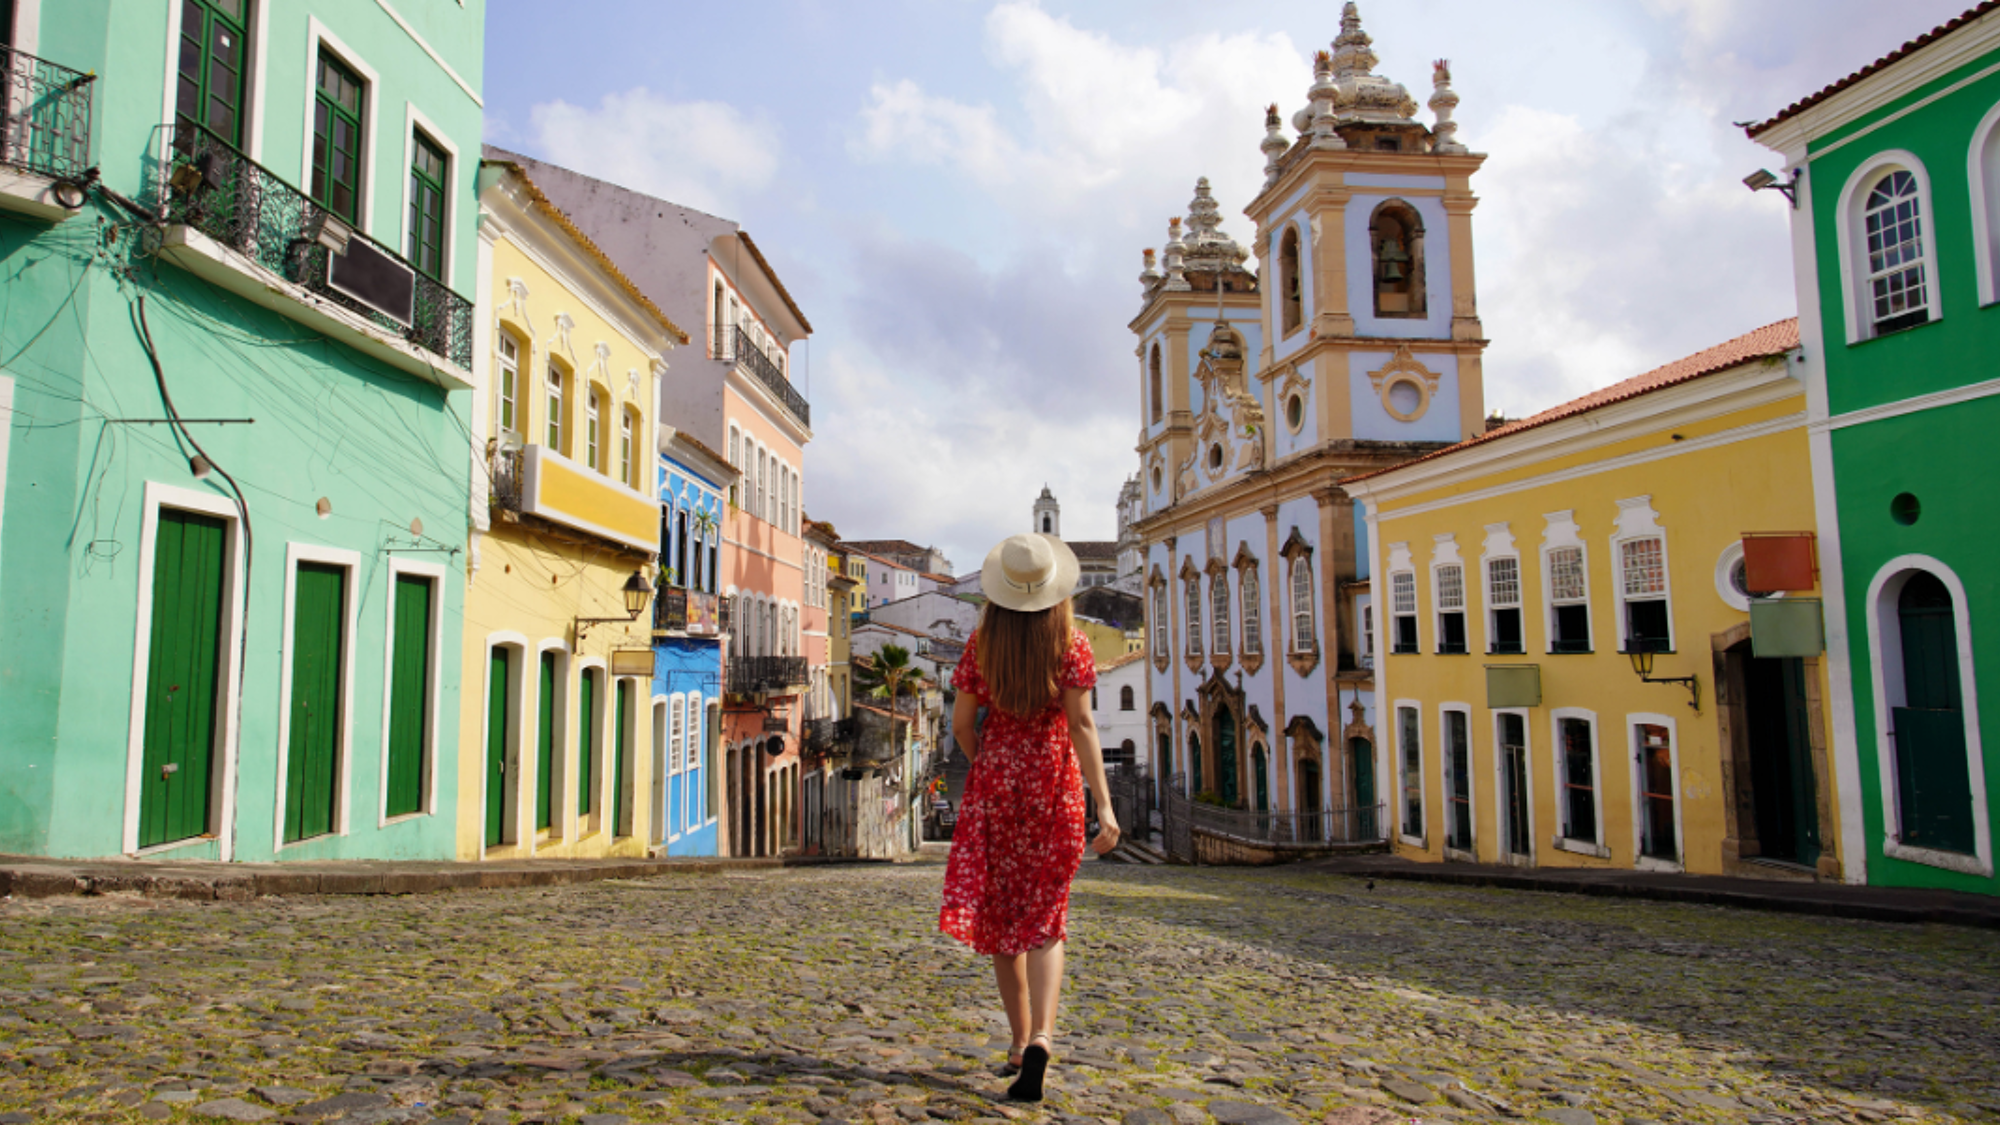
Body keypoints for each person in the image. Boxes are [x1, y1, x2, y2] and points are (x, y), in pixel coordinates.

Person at [938, 532, 1120, 1103]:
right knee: (1046, 915)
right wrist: (1104, 803)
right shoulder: (1073, 644)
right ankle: (1042, 1035)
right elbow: (1082, 726)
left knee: (1001, 918)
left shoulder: (981, 645)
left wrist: (988, 765)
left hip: (997, 785)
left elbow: (962, 725)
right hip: (1054, 785)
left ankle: (1017, 1044)